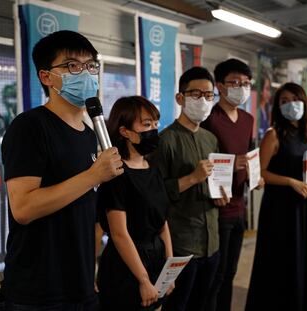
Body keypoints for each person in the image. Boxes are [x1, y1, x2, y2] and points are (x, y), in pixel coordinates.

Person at [0, 30, 123, 311]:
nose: (86, 73)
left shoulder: (91, 133)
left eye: (91, 65)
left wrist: (90, 269)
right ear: (46, 77)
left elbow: (86, 213)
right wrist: (93, 175)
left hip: (80, 284)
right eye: (72, 66)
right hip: (38, 291)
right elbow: (23, 207)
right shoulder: (30, 127)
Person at [151, 66, 229, 311]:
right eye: (196, 95)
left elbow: (214, 181)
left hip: (212, 241)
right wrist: (192, 178)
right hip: (182, 244)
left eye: (209, 96)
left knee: (205, 302)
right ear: (180, 98)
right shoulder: (165, 141)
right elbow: (154, 194)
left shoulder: (210, 138)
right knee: (178, 305)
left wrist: (220, 195)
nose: (204, 101)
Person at [245, 82, 307, 311]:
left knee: (300, 258)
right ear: (278, 107)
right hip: (279, 208)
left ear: (304, 102)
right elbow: (261, 172)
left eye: (294, 99)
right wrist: (290, 182)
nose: (290, 105)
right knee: (277, 260)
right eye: (284, 101)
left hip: (302, 207)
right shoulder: (273, 134)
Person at [96, 96, 173, 310]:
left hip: (156, 258)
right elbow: (119, 233)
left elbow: (163, 223)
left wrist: (170, 269)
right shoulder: (116, 174)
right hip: (126, 265)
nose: (154, 130)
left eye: (156, 124)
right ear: (124, 131)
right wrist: (143, 280)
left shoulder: (153, 168)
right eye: (147, 124)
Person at [201, 58, 264, 311]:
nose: (242, 87)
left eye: (247, 83)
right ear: (220, 86)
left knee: (230, 273)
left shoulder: (248, 119)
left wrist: (255, 174)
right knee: (215, 275)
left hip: (240, 206)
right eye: (235, 82)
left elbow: (249, 154)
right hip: (217, 207)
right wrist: (231, 164)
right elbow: (201, 162)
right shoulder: (209, 119)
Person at [258, 72, 272, 141]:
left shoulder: (267, 109)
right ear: (260, 90)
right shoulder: (256, 110)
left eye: (269, 89)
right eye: (267, 89)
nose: (269, 93)